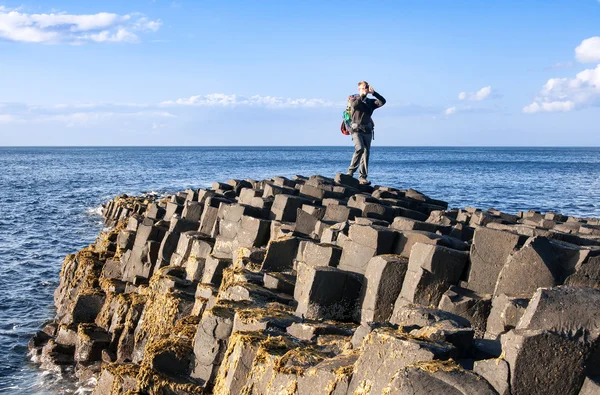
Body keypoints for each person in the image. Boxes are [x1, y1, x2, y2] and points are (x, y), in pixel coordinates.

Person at [346, 81, 386, 185]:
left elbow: (383, 101)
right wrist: (362, 95)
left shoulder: (370, 102)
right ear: (359, 89)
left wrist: (374, 93)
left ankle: (362, 177)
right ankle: (350, 172)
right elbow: (354, 106)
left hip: (367, 130)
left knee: (366, 152)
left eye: (366, 87)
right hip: (355, 129)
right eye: (363, 88)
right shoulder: (353, 99)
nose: (365, 89)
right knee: (359, 148)